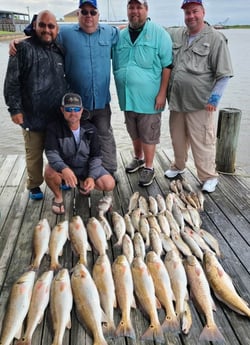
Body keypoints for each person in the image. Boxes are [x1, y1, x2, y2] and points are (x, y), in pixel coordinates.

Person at [9, 0, 120, 179]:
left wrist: (143, 24)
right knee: (68, 139)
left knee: (105, 136)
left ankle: (109, 170)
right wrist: (19, 40)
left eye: (93, 12)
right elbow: (44, 33)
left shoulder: (109, 32)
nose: (88, 15)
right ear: (78, 14)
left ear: (98, 14)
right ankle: (65, 175)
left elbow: (125, 29)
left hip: (100, 101)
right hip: (74, 104)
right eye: (84, 12)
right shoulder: (66, 32)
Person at [164, 0, 233, 193]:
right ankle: (178, 166)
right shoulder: (177, 33)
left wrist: (214, 99)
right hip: (177, 101)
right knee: (177, 139)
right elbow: (157, 31)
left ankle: (208, 176)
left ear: (202, 12)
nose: (191, 16)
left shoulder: (215, 38)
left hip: (201, 103)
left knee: (203, 142)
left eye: (195, 11)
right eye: (187, 12)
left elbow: (224, 74)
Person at [4, 10, 68, 200]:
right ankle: (34, 185)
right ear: (34, 26)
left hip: (56, 115)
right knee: (34, 154)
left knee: (58, 151)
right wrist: (14, 109)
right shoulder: (22, 48)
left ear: (56, 29)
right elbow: (11, 82)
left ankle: (61, 178)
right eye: (42, 25)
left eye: (51, 26)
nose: (46, 29)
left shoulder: (60, 49)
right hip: (31, 115)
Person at [112, 0, 173, 187]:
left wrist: (162, 93)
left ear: (146, 9)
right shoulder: (119, 35)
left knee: (149, 133)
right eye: (131, 7)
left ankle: (149, 167)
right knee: (133, 130)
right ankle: (138, 158)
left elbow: (167, 65)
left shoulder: (159, 33)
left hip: (149, 99)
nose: (135, 11)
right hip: (127, 97)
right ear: (127, 10)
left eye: (139, 7)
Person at [44, 93, 115, 215]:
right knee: (49, 171)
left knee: (109, 184)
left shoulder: (91, 128)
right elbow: (51, 154)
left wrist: (91, 177)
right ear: (62, 110)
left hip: (84, 167)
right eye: (69, 109)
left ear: (82, 111)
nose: (73, 113)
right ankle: (58, 197)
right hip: (64, 166)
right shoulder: (53, 128)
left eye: (76, 109)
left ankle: (82, 182)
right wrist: (64, 168)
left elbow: (96, 156)